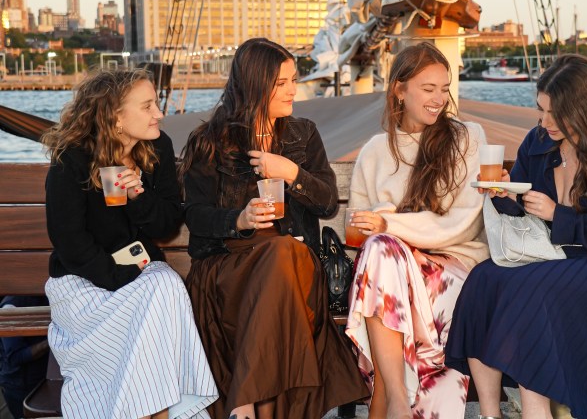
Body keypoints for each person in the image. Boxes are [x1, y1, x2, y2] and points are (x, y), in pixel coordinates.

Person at [445, 53, 587, 419]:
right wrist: (506, 198)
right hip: (546, 256)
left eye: (555, 113)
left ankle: (535, 411)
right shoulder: (538, 142)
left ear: (584, 108)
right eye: (541, 109)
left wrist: (561, 215)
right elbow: (526, 213)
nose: (545, 121)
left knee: (530, 292)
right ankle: (490, 413)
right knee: (482, 280)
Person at [179, 37, 368, 419]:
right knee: (280, 263)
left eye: (293, 80)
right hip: (228, 269)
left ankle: (245, 404)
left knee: (284, 253)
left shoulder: (303, 134)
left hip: (295, 265)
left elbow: (328, 202)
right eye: (281, 83)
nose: (292, 90)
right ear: (254, 84)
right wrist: (239, 220)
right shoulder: (209, 142)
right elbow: (195, 216)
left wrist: (291, 172)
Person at [41, 69, 218, 419]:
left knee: (163, 286)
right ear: (116, 117)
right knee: (161, 292)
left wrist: (138, 195)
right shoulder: (73, 158)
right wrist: (118, 278)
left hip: (139, 278)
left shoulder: (159, 147)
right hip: (84, 284)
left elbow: (167, 224)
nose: (159, 114)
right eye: (148, 106)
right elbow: (70, 244)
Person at [344, 42, 489, 419]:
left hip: (453, 269)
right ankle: (395, 398)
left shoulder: (466, 138)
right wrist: (375, 226)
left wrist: (388, 222)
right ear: (399, 89)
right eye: (429, 89)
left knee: (383, 248)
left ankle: (389, 399)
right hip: (389, 275)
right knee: (381, 250)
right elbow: (357, 234)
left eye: (445, 88)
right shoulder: (375, 151)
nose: (439, 98)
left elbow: (462, 223)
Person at [0, 296, 50, 418]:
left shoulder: (47, 297)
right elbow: (16, 357)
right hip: (21, 388)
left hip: (41, 382)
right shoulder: (10, 307)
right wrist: (51, 340)